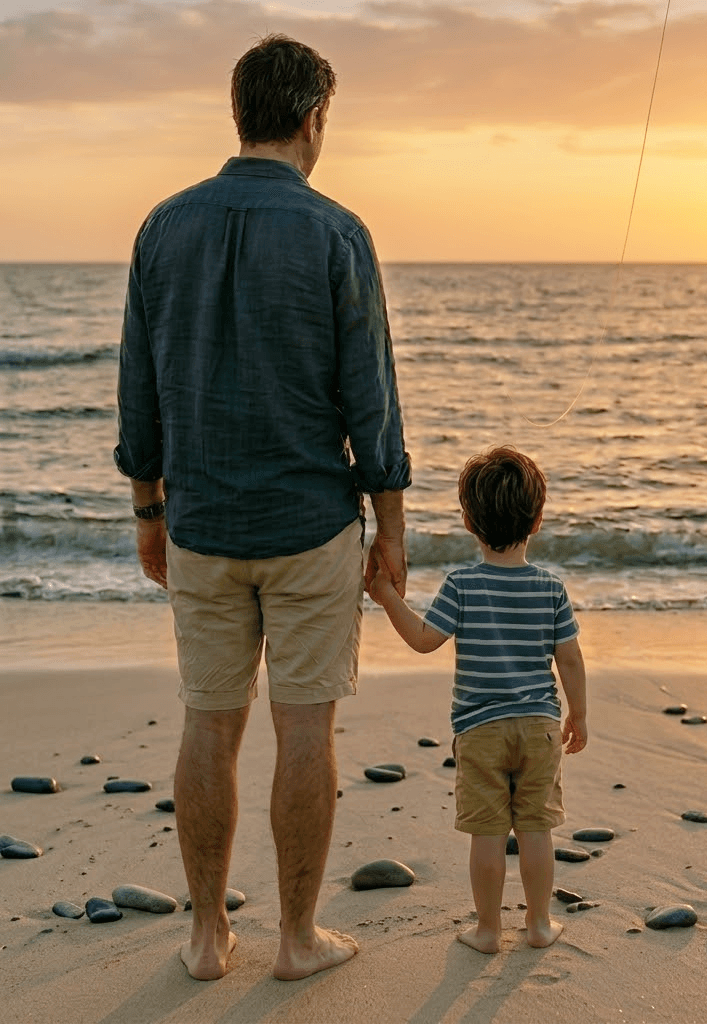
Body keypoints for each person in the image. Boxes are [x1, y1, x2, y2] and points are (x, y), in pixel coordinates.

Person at [114, 34, 411, 981]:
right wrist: (393, 526)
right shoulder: (336, 232)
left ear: (238, 113)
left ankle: (205, 936)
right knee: (304, 731)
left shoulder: (162, 228)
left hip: (200, 527)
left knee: (208, 722)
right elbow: (370, 397)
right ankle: (294, 938)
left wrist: (147, 511)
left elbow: (139, 388)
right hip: (310, 528)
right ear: (313, 117)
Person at [367, 446, 587, 953]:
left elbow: (424, 639)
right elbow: (570, 660)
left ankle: (488, 930)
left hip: (480, 729)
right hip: (540, 725)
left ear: (467, 521)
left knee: (487, 833)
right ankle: (537, 924)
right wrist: (580, 712)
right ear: (537, 520)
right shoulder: (550, 588)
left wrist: (387, 598)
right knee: (536, 829)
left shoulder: (461, 584)